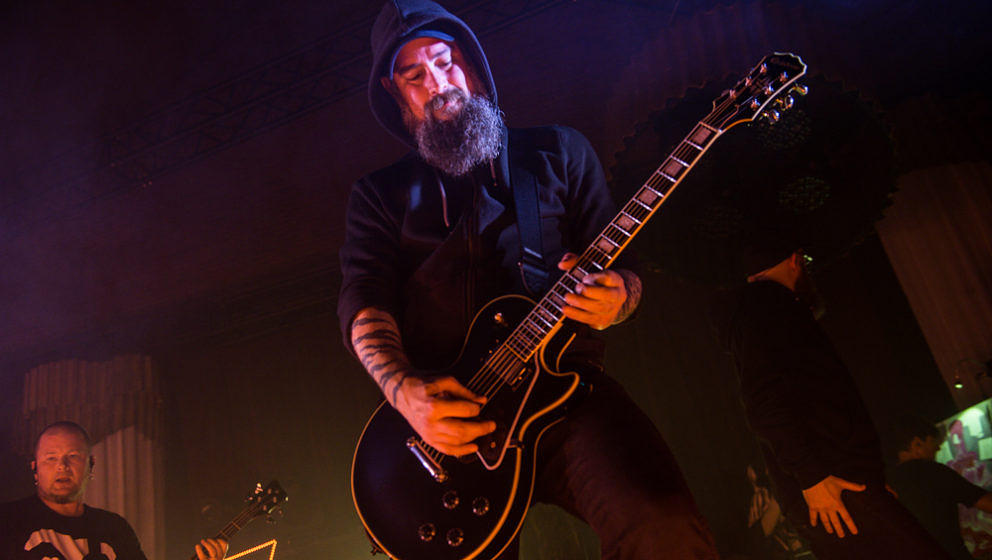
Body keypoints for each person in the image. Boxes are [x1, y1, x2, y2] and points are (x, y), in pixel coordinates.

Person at [338, 1, 719, 558]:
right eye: (414, 76)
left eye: (444, 62)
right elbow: (363, 302)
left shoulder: (558, 152)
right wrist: (405, 394)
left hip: (568, 396)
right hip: (451, 424)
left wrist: (619, 298)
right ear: (396, 96)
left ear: (470, 64)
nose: (438, 85)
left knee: (664, 525)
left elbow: (628, 273)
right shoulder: (379, 195)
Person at [712, 249, 951, 559]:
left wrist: (865, 478)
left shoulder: (766, 308)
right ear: (794, 259)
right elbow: (764, 402)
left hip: (839, 483)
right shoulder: (766, 304)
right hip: (834, 485)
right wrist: (812, 476)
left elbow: (783, 399)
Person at [0, 421, 228, 560]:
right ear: (35, 468)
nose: (62, 466)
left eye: (73, 456)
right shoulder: (9, 520)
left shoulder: (113, 528)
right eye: (51, 458)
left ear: (91, 465)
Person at [886, 415, 992, 560]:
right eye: (932, 442)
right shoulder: (932, 471)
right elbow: (985, 502)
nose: (938, 447)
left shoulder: (886, 482)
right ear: (917, 444)